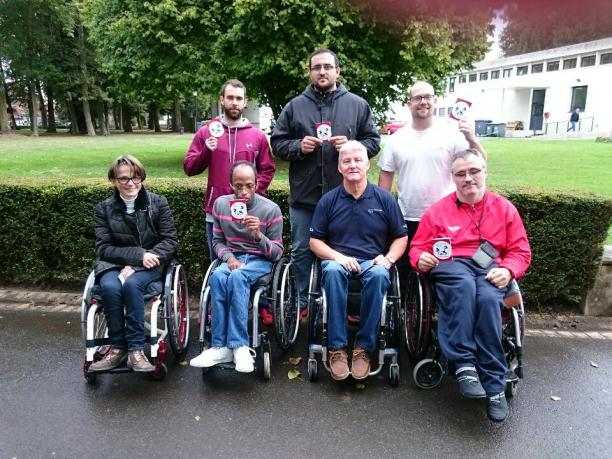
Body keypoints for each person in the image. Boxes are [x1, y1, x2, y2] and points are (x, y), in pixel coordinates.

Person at [409, 148, 531, 422]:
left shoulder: (504, 209)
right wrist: (422, 259)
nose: (468, 178)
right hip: (453, 264)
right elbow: (417, 248)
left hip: (491, 268)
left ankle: (494, 384)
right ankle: (464, 364)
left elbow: (521, 251)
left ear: (485, 172)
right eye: (460, 174)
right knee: (463, 287)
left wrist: (509, 269)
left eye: (474, 171)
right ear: (453, 178)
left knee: (488, 300)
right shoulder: (438, 212)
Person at [271, 48, 381, 315]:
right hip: (305, 197)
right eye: (317, 67)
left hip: (344, 197)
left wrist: (354, 145)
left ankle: (343, 303)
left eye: (327, 67)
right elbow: (277, 143)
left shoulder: (357, 104)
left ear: (337, 71)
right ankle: (304, 302)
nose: (322, 71)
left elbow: (374, 142)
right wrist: (298, 146)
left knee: (344, 251)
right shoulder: (295, 106)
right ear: (310, 72)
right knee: (301, 251)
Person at [309, 141, 407, 381]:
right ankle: (337, 348)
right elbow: (315, 242)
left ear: (367, 164)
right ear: (339, 168)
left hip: (372, 263)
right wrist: (340, 258)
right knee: (331, 271)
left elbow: (401, 237)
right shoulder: (328, 201)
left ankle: (364, 347)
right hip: (337, 261)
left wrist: (388, 258)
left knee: (379, 274)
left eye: (357, 160)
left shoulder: (384, 200)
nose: (352, 165)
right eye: (346, 161)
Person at [190, 161, 284, 373]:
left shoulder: (270, 210)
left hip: (260, 259)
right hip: (233, 258)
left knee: (237, 277)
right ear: (231, 184)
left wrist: (259, 235)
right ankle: (219, 346)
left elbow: (277, 253)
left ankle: (240, 345)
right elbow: (217, 241)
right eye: (238, 185)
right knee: (217, 277)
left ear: (257, 184)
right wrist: (229, 258)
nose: (243, 192)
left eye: (249, 185)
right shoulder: (221, 205)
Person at [90, 155, 178, 372]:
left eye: (136, 178)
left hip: (150, 264)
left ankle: (136, 350)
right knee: (110, 287)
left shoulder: (158, 203)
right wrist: (137, 256)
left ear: (142, 178)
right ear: (113, 180)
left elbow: (169, 241)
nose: (131, 183)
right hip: (114, 264)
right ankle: (118, 349)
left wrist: (141, 263)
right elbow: (104, 248)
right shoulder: (104, 208)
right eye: (124, 179)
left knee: (131, 285)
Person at [378, 80, 487, 244]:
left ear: (435, 101)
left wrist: (472, 139)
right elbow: (385, 176)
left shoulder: (452, 133)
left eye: (428, 97)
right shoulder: (396, 139)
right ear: (409, 104)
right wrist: (385, 212)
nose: (423, 102)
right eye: (418, 98)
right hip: (407, 217)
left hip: (447, 215)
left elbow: (480, 164)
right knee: (408, 266)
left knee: (443, 267)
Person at [183, 79, 275, 261]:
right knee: (218, 262)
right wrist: (205, 152)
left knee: (251, 260)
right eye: (230, 97)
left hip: (250, 211)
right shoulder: (207, 131)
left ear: (245, 101)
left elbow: (267, 170)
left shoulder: (257, 136)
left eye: (239, 98)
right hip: (216, 210)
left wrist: (251, 192)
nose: (234, 102)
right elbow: (189, 167)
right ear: (222, 100)